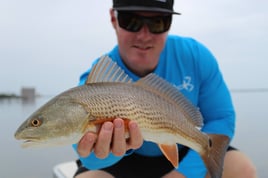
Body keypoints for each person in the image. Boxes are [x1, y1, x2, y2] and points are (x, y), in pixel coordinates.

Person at [73, 0, 257, 177]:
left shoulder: (196, 56)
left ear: (170, 23)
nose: (144, 35)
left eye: (158, 22)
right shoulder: (93, 83)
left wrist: (184, 174)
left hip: (182, 149)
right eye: (131, 21)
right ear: (114, 19)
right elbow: (87, 156)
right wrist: (106, 150)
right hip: (122, 161)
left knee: (241, 168)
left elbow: (221, 118)